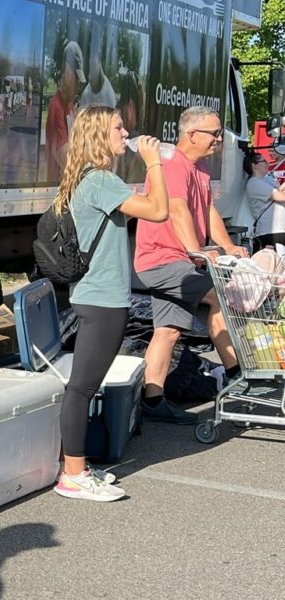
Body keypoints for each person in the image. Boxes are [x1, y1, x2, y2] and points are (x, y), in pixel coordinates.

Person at [54, 106, 168, 501]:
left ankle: (77, 466)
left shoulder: (94, 179)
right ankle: (72, 475)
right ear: (99, 135)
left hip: (97, 295)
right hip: (101, 299)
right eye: (118, 127)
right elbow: (158, 211)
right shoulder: (100, 180)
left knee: (84, 386)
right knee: (82, 388)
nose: (126, 132)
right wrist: (154, 163)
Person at [134, 106, 246, 424]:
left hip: (175, 259)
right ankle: (238, 376)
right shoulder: (172, 164)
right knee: (220, 296)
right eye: (214, 133)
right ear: (191, 134)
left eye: (220, 133)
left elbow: (207, 212)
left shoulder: (200, 170)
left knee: (167, 332)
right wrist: (196, 251)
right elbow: (178, 209)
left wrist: (227, 246)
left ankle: (152, 401)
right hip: (163, 258)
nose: (219, 139)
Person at [46, 41, 84, 182]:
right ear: (67, 72)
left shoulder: (69, 106)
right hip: (58, 188)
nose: (78, 85)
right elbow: (65, 157)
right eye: (77, 78)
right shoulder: (57, 107)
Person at [244, 150, 285, 249]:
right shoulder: (254, 183)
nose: (267, 164)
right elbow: (282, 197)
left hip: (278, 229)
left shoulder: (265, 180)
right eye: (264, 161)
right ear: (254, 165)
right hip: (270, 231)